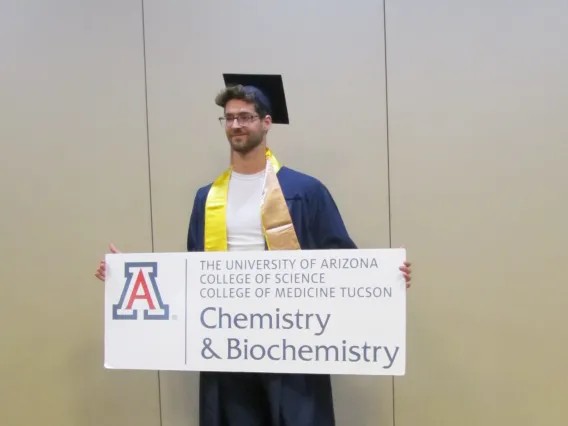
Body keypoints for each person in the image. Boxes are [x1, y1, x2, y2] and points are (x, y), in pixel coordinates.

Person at [95, 73, 413, 426]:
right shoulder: (207, 198)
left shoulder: (304, 191)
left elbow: (344, 261)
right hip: (228, 340)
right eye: (229, 118)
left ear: (266, 123)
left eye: (245, 117)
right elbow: (191, 273)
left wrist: (386, 279)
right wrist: (125, 278)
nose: (235, 125)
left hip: (292, 338)